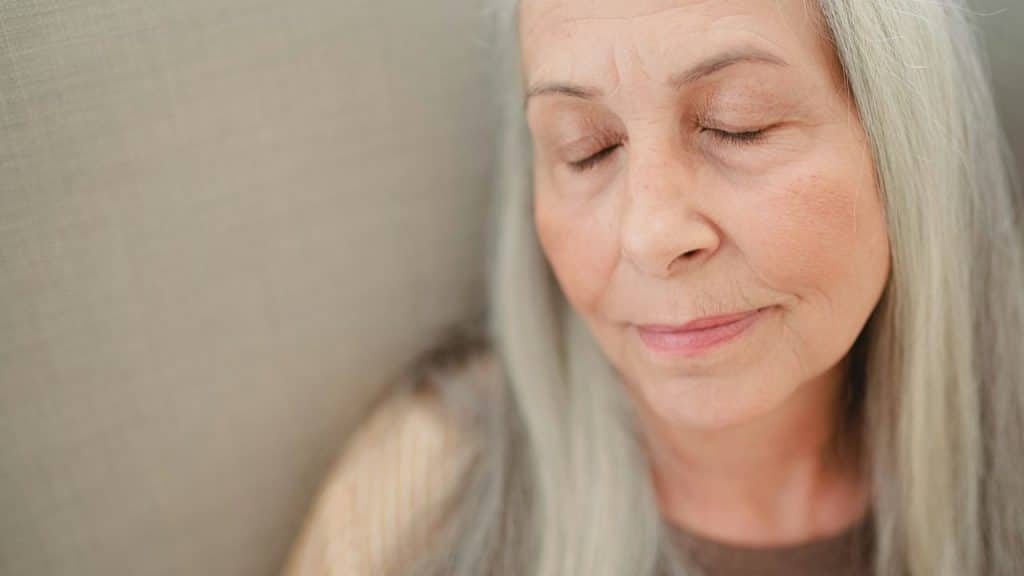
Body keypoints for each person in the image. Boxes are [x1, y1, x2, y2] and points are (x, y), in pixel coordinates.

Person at [283, 1, 1024, 574]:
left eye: (739, 125)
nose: (650, 234)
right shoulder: (426, 488)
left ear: (907, 141)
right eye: (588, 150)